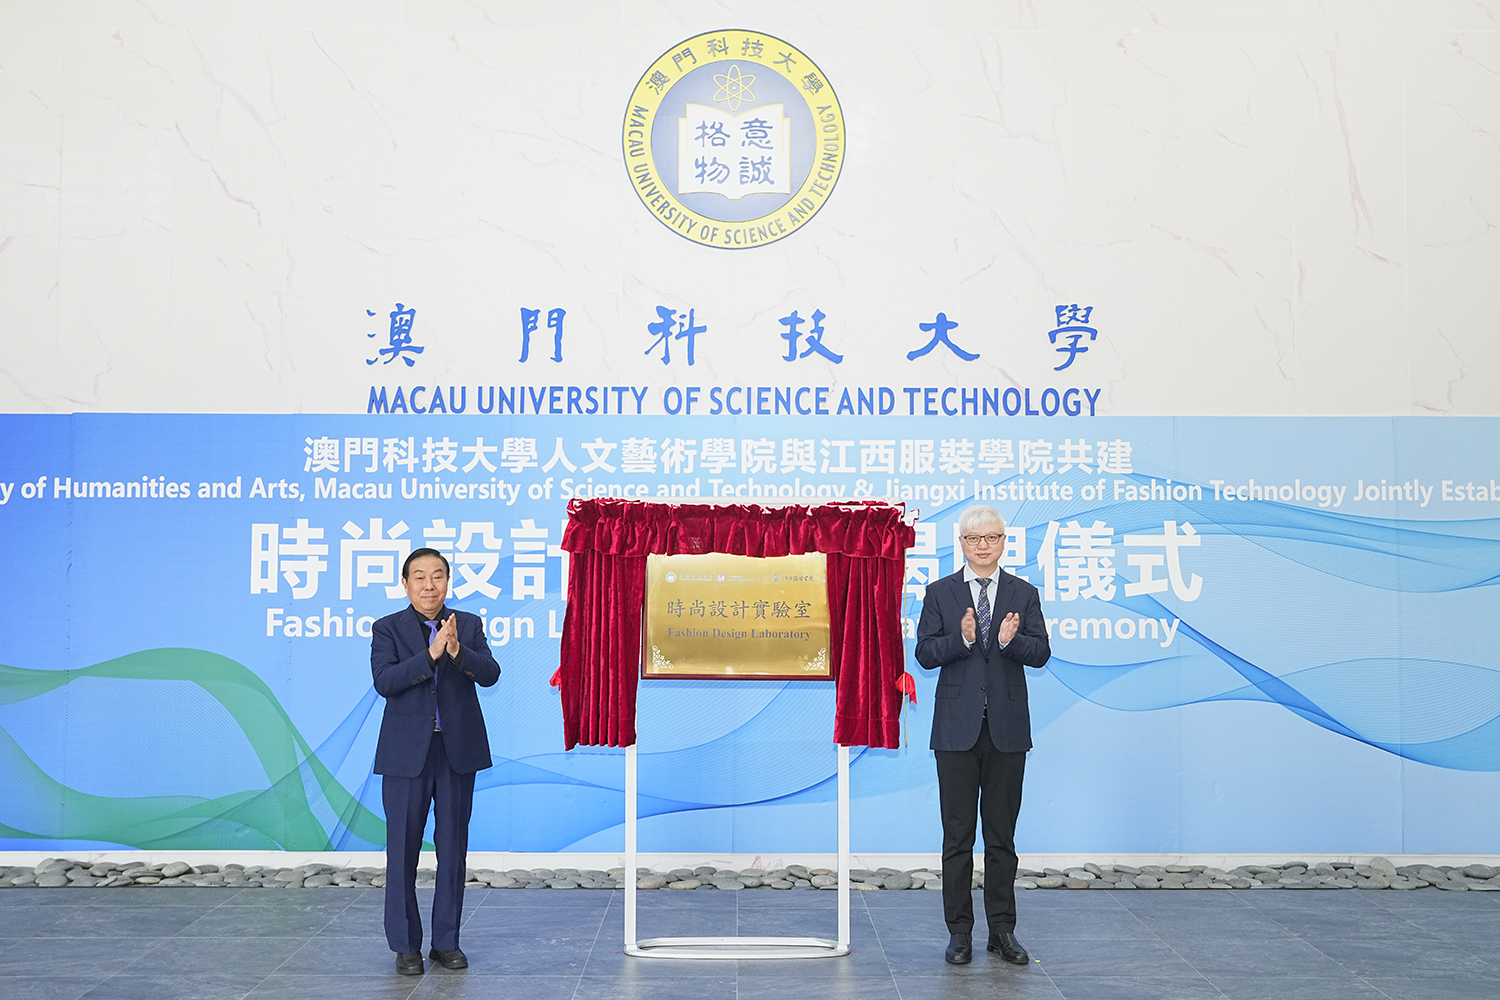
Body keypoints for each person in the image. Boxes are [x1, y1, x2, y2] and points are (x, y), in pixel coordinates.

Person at [915, 505, 1050, 967]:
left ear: (1004, 542)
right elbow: (925, 654)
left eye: (992, 537)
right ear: (962, 544)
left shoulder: (1023, 593)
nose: (983, 545)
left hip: (1007, 732)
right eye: (974, 538)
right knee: (957, 838)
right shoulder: (940, 592)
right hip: (956, 732)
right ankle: (959, 933)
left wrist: (1011, 641)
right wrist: (964, 640)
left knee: (1001, 838)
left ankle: (1002, 931)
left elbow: (1042, 653)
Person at [371, 548, 500, 976]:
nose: (430, 585)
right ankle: (405, 945)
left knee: (453, 850)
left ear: (448, 580)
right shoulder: (387, 628)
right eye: (420, 577)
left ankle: (446, 942)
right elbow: (385, 681)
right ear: (405, 583)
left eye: (438, 576)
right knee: (402, 852)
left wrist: (457, 651)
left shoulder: (469, 624)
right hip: (406, 756)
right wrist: (430, 655)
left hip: (456, 753)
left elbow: (490, 674)